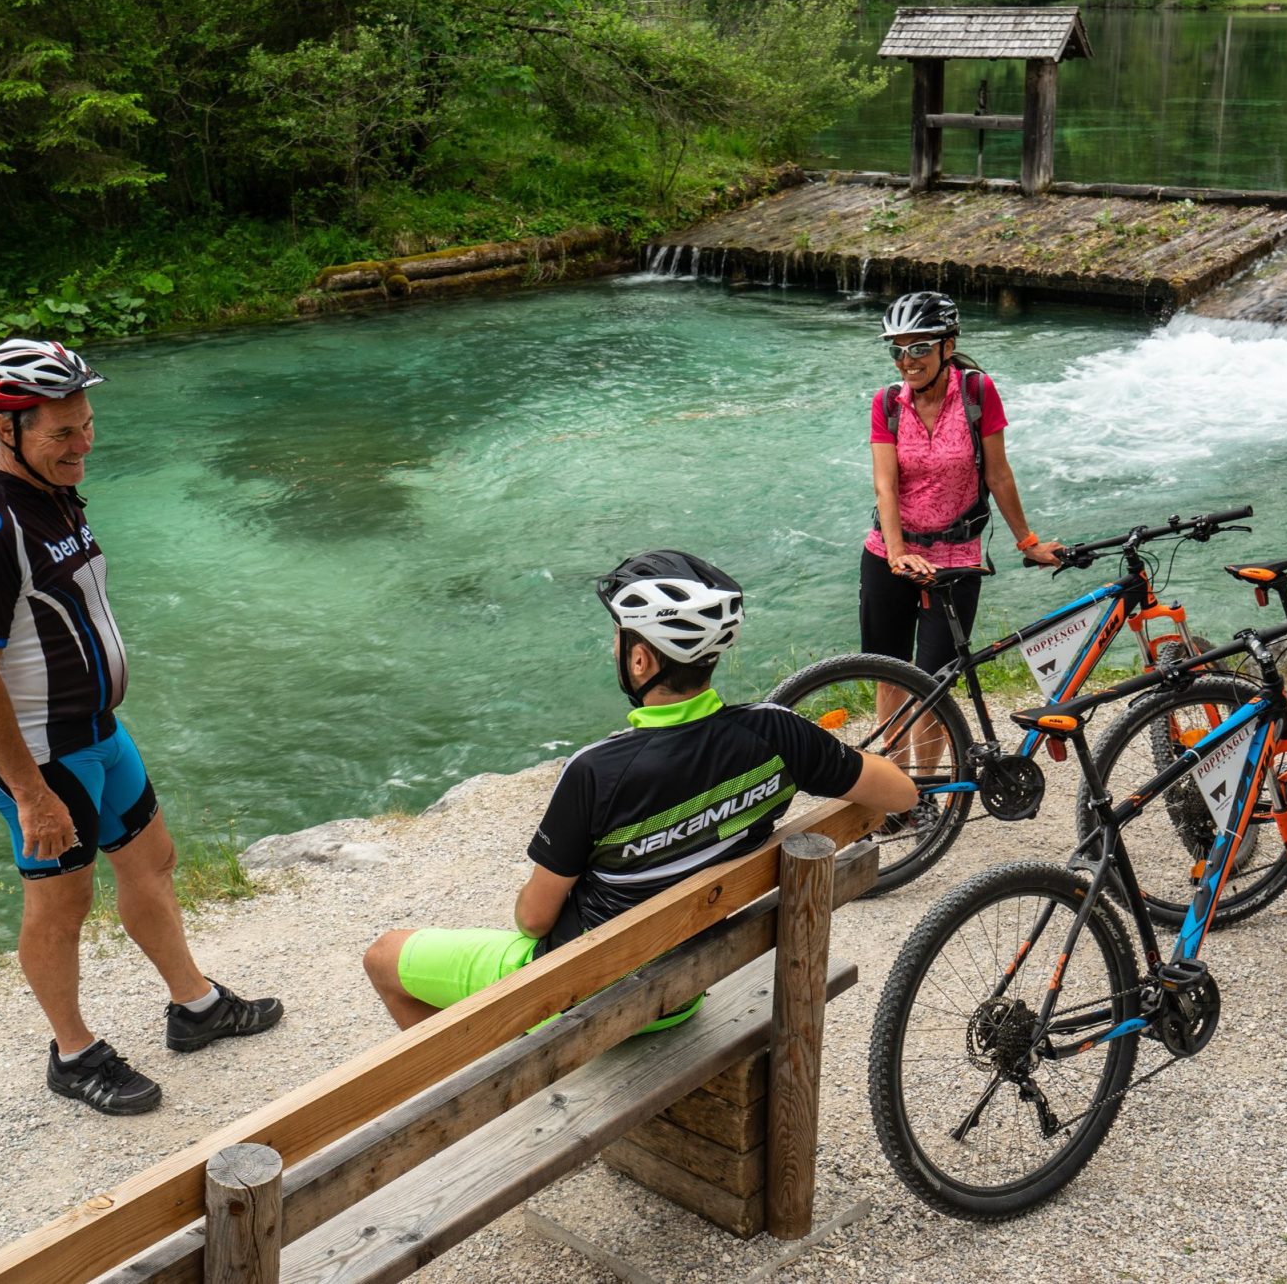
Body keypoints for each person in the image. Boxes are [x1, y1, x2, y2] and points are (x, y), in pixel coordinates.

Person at [0, 338, 282, 1116]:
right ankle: (73, 1054)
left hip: (97, 729)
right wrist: (30, 794)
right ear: (7, 429)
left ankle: (194, 1007)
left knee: (151, 858)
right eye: (62, 433)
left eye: (86, 425)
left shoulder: (54, 492)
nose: (82, 444)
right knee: (62, 904)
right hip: (38, 753)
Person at [362, 550, 917, 1031]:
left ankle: (479, 1091)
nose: (614, 651)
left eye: (619, 641)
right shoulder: (779, 733)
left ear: (641, 659)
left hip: (583, 997)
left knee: (384, 957)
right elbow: (902, 795)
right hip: (685, 985)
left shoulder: (596, 770)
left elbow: (532, 920)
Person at [863, 291, 1060, 674]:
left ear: (947, 346)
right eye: (897, 352)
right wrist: (897, 553)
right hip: (890, 553)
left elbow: (998, 474)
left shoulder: (977, 392)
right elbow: (884, 487)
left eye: (919, 348)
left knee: (936, 683)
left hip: (956, 558)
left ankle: (927, 739)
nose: (907, 361)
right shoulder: (887, 403)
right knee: (888, 672)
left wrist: (1028, 543)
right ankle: (892, 739)